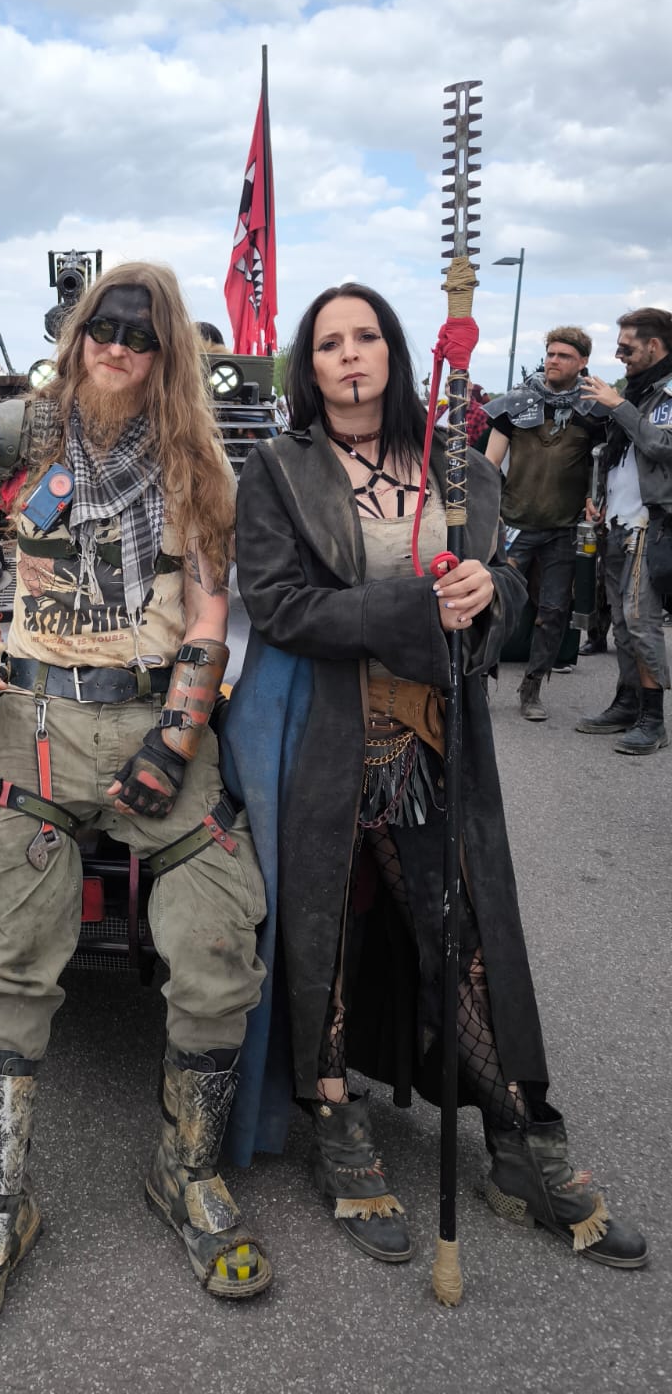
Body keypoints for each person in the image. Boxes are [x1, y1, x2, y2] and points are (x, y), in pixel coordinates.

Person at [231, 281, 646, 1272]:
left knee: (463, 936)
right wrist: (417, 606)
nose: (350, 354)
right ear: (309, 364)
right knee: (325, 936)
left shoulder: (455, 465)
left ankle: (518, 1141)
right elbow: (279, 605)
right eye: (329, 342)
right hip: (322, 741)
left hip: (433, 740)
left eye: (366, 336)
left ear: (394, 351)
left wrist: (483, 588)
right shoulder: (280, 469)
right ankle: (337, 1123)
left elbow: (504, 583)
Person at [0, 261, 272, 1339]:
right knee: (16, 960)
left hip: (158, 727)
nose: (118, 346)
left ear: (169, 351)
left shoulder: (197, 463)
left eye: (141, 333)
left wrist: (177, 738)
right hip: (38, 732)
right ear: (77, 335)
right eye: (102, 328)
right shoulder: (14, 441)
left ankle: (186, 1171)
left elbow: (207, 617)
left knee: (217, 949)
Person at [483, 328, 605, 720]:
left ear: (582, 362)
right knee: (494, 607)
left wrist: (596, 499)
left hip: (564, 530)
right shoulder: (517, 404)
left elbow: (602, 466)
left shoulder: (594, 411)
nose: (553, 360)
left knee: (552, 612)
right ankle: (477, 684)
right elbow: (489, 466)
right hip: (513, 524)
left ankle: (532, 688)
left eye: (564, 356)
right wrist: (488, 513)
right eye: (550, 353)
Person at [576, 307, 672, 754]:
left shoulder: (665, 391)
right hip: (618, 520)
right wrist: (598, 496)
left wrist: (619, 405)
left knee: (640, 620)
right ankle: (628, 702)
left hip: (650, 525)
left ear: (654, 346)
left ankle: (654, 719)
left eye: (626, 348)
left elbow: (660, 445)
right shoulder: (638, 391)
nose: (619, 357)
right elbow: (616, 457)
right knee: (620, 620)